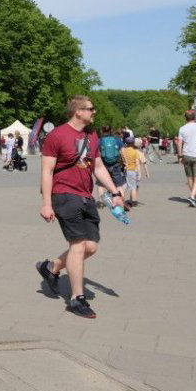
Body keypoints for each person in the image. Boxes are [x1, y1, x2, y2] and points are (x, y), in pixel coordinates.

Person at [37, 95, 124, 319]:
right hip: (64, 195)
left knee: (91, 246)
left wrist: (115, 192)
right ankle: (77, 299)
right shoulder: (57, 135)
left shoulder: (91, 135)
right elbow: (46, 171)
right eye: (90, 109)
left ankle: (52, 267)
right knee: (77, 245)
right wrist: (46, 203)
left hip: (86, 195)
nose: (94, 112)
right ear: (78, 111)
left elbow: (97, 166)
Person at [120, 137, 148, 206]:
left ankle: (120, 198)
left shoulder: (123, 150)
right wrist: (139, 173)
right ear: (133, 143)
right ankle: (134, 201)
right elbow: (137, 163)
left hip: (125, 170)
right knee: (133, 187)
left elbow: (121, 159)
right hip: (132, 170)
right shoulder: (135, 152)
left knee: (124, 185)